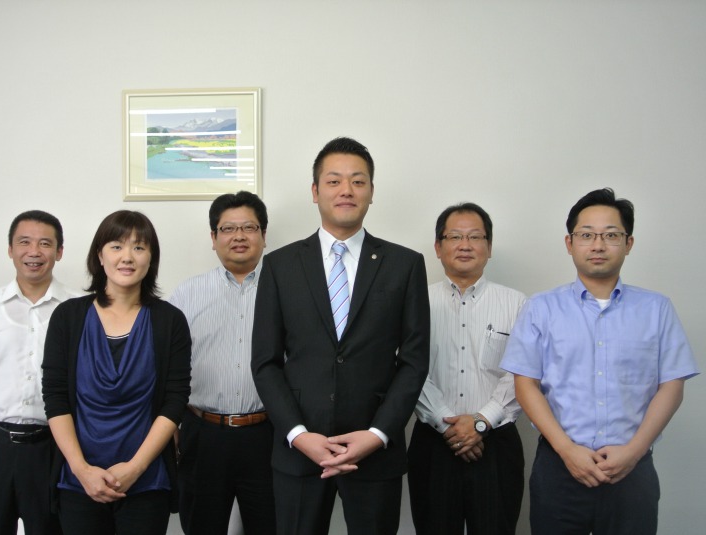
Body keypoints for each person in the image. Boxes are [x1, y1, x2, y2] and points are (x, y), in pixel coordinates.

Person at [251, 137, 430, 535]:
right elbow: (265, 363)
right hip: (300, 450)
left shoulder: (404, 265)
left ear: (371, 191)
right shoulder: (280, 265)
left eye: (357, 181)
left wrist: (378, 434)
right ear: (315, 191)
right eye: (334, 181)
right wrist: (298, 435)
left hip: (374, 448)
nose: (346, 190)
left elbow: (414, 361)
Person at [500, 188, 699, 534]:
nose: (598, 245)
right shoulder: (541, 308)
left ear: (629, 243)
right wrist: (567, 450)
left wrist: (634, 451)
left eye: (611, 235)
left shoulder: (657, 309)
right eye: (587, 235)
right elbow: (525, 384)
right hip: (559, 468)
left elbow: (672, 385)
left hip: (632, 470)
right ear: (569, 243)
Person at [42, 210, 191, 535]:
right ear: (100, 255)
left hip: (147, 480)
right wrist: (81, 470)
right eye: (116, 246)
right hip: (79, 480)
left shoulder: (169, 321)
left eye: (139, 247)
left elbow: (175, 400)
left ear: (151, 258)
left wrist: (136, 468)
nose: (127, 257)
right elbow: (55, 397)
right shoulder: (68, 317)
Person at [0, 210, 77, 535]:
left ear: (59, 251)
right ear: (10, 249)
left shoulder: (79, 308)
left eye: (45, 243)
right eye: (24, 242)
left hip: (53, 445)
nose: (34, 252)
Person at [408, 202, 526, 535]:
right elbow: (408, 369)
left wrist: (482, 420)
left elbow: (523, 373)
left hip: (496, 442)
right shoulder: (414, 302)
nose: (465, 245)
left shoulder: (517, 304)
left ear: (489, 246)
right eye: (455, 237)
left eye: (475, 237)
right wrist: (446, 423)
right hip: (433, 442)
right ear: (438, 247)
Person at [170, 191, 275, 535]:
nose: (239, 236)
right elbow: (165, 366)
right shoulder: (187, 294)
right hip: (203, 434)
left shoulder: (286, 290)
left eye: (249, 227)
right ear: (213, 238)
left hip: (268, 434)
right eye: (228, 229)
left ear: (263, 235)